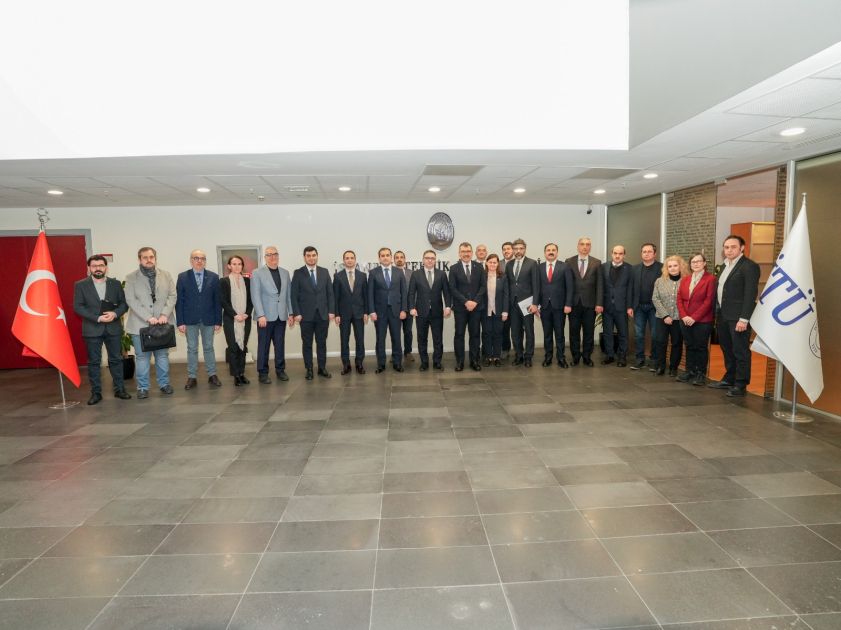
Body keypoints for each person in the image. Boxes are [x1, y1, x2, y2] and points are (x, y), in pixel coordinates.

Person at [73, 255, 132, 405]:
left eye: (101, 265)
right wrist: (97, 318)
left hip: (113, 328)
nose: (98, 268)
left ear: (106, 267)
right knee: (94, 362)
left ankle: (120, 390)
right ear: (89, 268)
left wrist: (115, 314)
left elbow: (124, 304)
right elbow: (78, 307)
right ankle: (96, 393)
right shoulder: (80, 285)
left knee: (116, 360)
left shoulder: (115, 284)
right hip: (92, 329)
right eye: (94, 266)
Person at [708, 235, 761, 397]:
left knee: (740, 350)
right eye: (726, 247)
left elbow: (750, 294)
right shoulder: (723, 266)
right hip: (723, 315)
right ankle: (729, 378)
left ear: (742, 248)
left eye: (733, 247)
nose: (729, 250)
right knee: (726, 348)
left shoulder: (749, 266)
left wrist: (744, 319)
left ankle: (741, 383)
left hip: (738, 318)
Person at [124, 247, 177, 399]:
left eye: (151, 257)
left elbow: (172, 296)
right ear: (139, 259)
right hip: (140, 324)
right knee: (142, 358)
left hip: (163, 323)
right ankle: (142, 388)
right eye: (145, 257)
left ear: (155, 258)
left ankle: (164, 384)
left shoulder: (166, 275)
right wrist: (148, 317)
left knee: (162, 356)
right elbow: (131, 300)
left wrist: (164, 314)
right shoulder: (131, 277)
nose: (149, 260)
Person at [176, 249, 222, 389]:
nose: (199, 260)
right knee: (192, 348)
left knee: (209, 347)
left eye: (202, 258)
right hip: (189, 319)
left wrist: (218, 321)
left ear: (205, 261)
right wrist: (180, 321)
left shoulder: (214, 277)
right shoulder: (183, 277)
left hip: (209, 319)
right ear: (191, 260)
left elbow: (217, 300)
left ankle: (212, 375)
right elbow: (180, 301)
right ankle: (192, 377)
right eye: (196, 258)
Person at [250, 246, 294, 384]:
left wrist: (291, 313)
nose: (272, 257)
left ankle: (280, 370)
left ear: (278, 256)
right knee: (264, 345)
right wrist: (260, 315)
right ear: (265, 257)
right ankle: (263, 372)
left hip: (281, 315)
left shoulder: (285, 273)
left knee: (280, 344)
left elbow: (288, 295)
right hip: (265, 317)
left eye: (275, 254)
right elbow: (255, 295)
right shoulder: (257, 273)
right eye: (269, 254)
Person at [291, 246, 335, 380]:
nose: (311, 258)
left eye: (313, 255)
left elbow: (330, 293)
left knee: (322, 343)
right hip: (305, 316)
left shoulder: (324, 271)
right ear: (304, 257)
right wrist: (296, 313)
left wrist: (331, 311)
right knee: (307, 343)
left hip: (323, 314)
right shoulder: (298, 273)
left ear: (317, 256)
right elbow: (293, 295)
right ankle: (309, 369)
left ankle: (322, 368)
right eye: (308, 256)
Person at [408, 249, 451, 371]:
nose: (430, 260)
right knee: (422, 338)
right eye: (427, 258)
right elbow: (411, 293)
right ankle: (424, 362)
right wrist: (411, 307)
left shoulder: (441, 274)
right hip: (421, 312)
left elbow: (446, 292)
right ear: (423, 260)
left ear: (435, 260)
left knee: (438, 338)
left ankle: (437, 361)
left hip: (437, 312)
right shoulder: (416, 274)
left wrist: (448, 306)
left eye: (432, 258)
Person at [678, 252, 716, 386]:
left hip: (703, 321)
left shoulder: (710, 279)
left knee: (700, 347)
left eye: (699, 261)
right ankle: (690, 371)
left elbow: (708, 301)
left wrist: (694, 317)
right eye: (693, 262)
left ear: (704, 263)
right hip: (685, 319)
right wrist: (684, 316)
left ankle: (700, 373)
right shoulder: (685, 279)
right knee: (689, 346)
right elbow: (679, 299)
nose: (696, 264)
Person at [368, 247, 407, 373]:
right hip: (379, 312)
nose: (385, 257)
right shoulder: (373, 273)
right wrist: (372, 311)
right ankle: (381, 364)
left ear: (391, 257)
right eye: (382, 255)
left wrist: (403, 309)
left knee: (396, 338)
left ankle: (397, 363)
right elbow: (370, 294)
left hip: (396, 311)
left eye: (387, 255)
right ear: (379, 258)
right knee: (380, 339)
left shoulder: (399, 272)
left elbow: (404, 292)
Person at [565, 237, 602, 366]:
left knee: (589, 332)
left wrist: (599, 303)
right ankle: (575, 356)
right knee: (574, 332)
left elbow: (599, 285)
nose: (585, 247)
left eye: (587, 244)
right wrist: (567, 303)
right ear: (578, 246)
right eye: (582, 244)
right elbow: (566, 284)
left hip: (590, 304)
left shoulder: (597, 262)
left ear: (590, 247)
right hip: (574, 304)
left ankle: (587, 357)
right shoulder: (569, 261)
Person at [449, 242, 486, 371]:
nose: (466, 254)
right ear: (459, 253)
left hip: (476, 308)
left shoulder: (479, 267)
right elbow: (452, 288)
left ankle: (474, 361)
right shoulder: (453, 268)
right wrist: (466, 302)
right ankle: (460, 361)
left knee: (475, 334)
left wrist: (475, 302)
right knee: (459, 334)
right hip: (460, 308)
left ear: (472, 253)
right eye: (463, 251)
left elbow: (483, 286)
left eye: (468, 251)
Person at [537, 243, 574, 367]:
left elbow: (570, 287)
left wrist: (568, 304)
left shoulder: (565, 266)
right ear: (545, 253)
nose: (551, 252)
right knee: (547, 334)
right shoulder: (539, 267)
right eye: (548, 250)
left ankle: (561, 358)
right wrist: (536, 305)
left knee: (559, 334)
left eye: (553, 250)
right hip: (544, 306)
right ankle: (548, 357)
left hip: (560, 306)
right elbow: (537, 287)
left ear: (557, 252)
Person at [505, 238, 539, 367]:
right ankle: (519, 355)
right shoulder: (509, 264)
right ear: (513, 250)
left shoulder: (532, 263)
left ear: (525, 249)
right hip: (513, 304)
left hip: (527, 304)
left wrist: (535, 303)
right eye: (516, 249)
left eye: (521, 248)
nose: (518, 251)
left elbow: (536, 285)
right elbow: (508, 284)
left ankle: (528, 357)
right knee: (515, 332)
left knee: (529, 331)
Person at [651, 255, 687, 377]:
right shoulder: (659, 281)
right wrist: (665, 315)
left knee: (677, 343)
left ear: (680, 266)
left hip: (679, 318)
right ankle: (660, 366)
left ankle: (673, 368)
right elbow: (655, 299)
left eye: (675, 265)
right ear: (666, 268)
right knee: (660, 342)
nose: (672, 268)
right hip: (662, 318)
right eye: (669, 266)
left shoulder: (686, 281)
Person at [333, 250, 368, 375]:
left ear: (355, 260)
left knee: (360, 340)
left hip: (359, 313)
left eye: (352, 258)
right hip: (344, 314)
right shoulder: (338, 276)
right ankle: (346, 364)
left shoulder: (362, 276)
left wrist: (366, 312)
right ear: (344, 261)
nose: (349, 260)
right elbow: (335, 297)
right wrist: (336, 314)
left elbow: (365, 296)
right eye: (347, 258)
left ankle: (359, 363)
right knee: (344, 340)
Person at [220, 255, 253, 386]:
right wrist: (235, 315)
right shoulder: (224, 281)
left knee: (243, 347)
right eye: (234, 264)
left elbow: (251, 300)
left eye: (239, 264)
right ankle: (236, 376)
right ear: (229, 266)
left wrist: (247, 313)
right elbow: (223, 301)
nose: (237, 266)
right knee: (233, 348)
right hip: (230, 320)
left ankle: (242, 373)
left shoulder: (248, 281)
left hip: (245, 319)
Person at [630, 243, 663, 370]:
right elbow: (630, 289)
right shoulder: (634, 269)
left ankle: (654, 360)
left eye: (649, 251)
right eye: (644, 251)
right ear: (641, 254)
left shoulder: (662, 268)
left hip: (655, 307)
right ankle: (639, 359)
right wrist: (630, 306)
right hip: (639, 307)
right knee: (639, 334)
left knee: (655, 335)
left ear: (655, 253)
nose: (646, 254)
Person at [600, 245, 633, 367]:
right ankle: (609, 355)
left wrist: (629, 306)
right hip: (607, 306)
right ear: (611, 254)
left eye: (620, 253)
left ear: (624, 255)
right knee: (607, 332)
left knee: (623, 333)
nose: (617, 256)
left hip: (622, 307)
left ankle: (622, 356)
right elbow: (600, 287)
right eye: (615, 253)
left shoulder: (629, 268)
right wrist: (599, 304)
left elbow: (630, 289)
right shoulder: (603, 267)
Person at [482, 254, 509, 367]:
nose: (492, 264)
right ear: (486, 263)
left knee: (498, 333)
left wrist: (505, 311)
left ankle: (497, 357)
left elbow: (506, 295)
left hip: (499, 310)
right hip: (485, 310)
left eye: (495, 262)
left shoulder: (503, 277)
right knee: (487, 333)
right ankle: (488, 356)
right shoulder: (482, 276)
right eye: (490, 262)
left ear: (498, 264)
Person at [393, 251, 414, 363]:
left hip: (409, 307)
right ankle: (395, 353)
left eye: (401, 257)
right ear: (394, 260)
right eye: (397, 257)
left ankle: (408, 352)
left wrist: (412, 307)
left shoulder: (411, 273)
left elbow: (414, 291)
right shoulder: (391, 273)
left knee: (408, 331)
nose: (399, 259)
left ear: (405, 259)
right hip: (395, 308)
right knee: (395, 332)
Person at [500, 241, 515, 359]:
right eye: (504, 249)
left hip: (517, 301)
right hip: (503, 302)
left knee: (518, 329)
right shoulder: (498, 264)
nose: (506, 251)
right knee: (504, 328)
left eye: (508, 249)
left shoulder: (519, 263)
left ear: (513, 250)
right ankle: (505, 349)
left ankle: (520, 351)